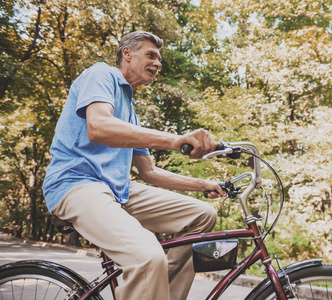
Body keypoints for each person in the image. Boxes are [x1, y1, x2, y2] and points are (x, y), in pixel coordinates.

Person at [43, 31, 226, 300]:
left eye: (159, 59)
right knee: (148, 257)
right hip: (76, 183)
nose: (158, 63)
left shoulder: (130, 110)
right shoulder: (101, 74)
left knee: (203, 214)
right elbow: (98, 127)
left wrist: (204, 185)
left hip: (117, 190)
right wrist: (174, 140)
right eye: (151, 55)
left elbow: (149, 172)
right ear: (127, 53)